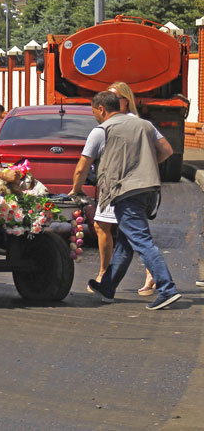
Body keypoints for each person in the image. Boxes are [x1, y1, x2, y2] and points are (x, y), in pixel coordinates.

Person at [71, 82, 174, 295]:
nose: (94, 116)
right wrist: (145, 166)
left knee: (141, 240)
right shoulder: (144, 124)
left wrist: (76, 190)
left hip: (125, 192)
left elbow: (81, 168)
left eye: (94, 112)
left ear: (101, 109)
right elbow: (166, 150)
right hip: (149, 190)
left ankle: (167, 288)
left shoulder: (102, 130)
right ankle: (107, 287)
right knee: (126, 242)